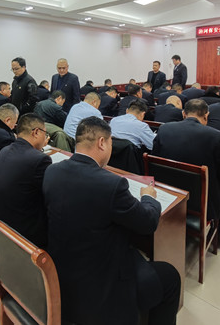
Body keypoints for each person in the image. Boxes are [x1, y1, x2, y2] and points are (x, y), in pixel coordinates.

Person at [43, 116, 181, 325]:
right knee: (170, 276)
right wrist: (148, 198)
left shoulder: (52, 171)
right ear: (102, 143)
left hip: (62, 268)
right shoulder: (112, 184)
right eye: (110, 143)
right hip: (102, 281)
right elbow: (148, 223)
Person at [153, 99, 220, 221]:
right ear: (206, 115)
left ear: (183, 114)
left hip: (168, 193)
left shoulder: (164, 129)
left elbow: (154, 158)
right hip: (202, 202)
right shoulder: (216, 136)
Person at [0, 113, 51, 247]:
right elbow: (51, 195)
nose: (45, 137)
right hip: (24, 233)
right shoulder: (39, 159)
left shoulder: (4, 150)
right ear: (36, 132)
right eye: (45, 134)